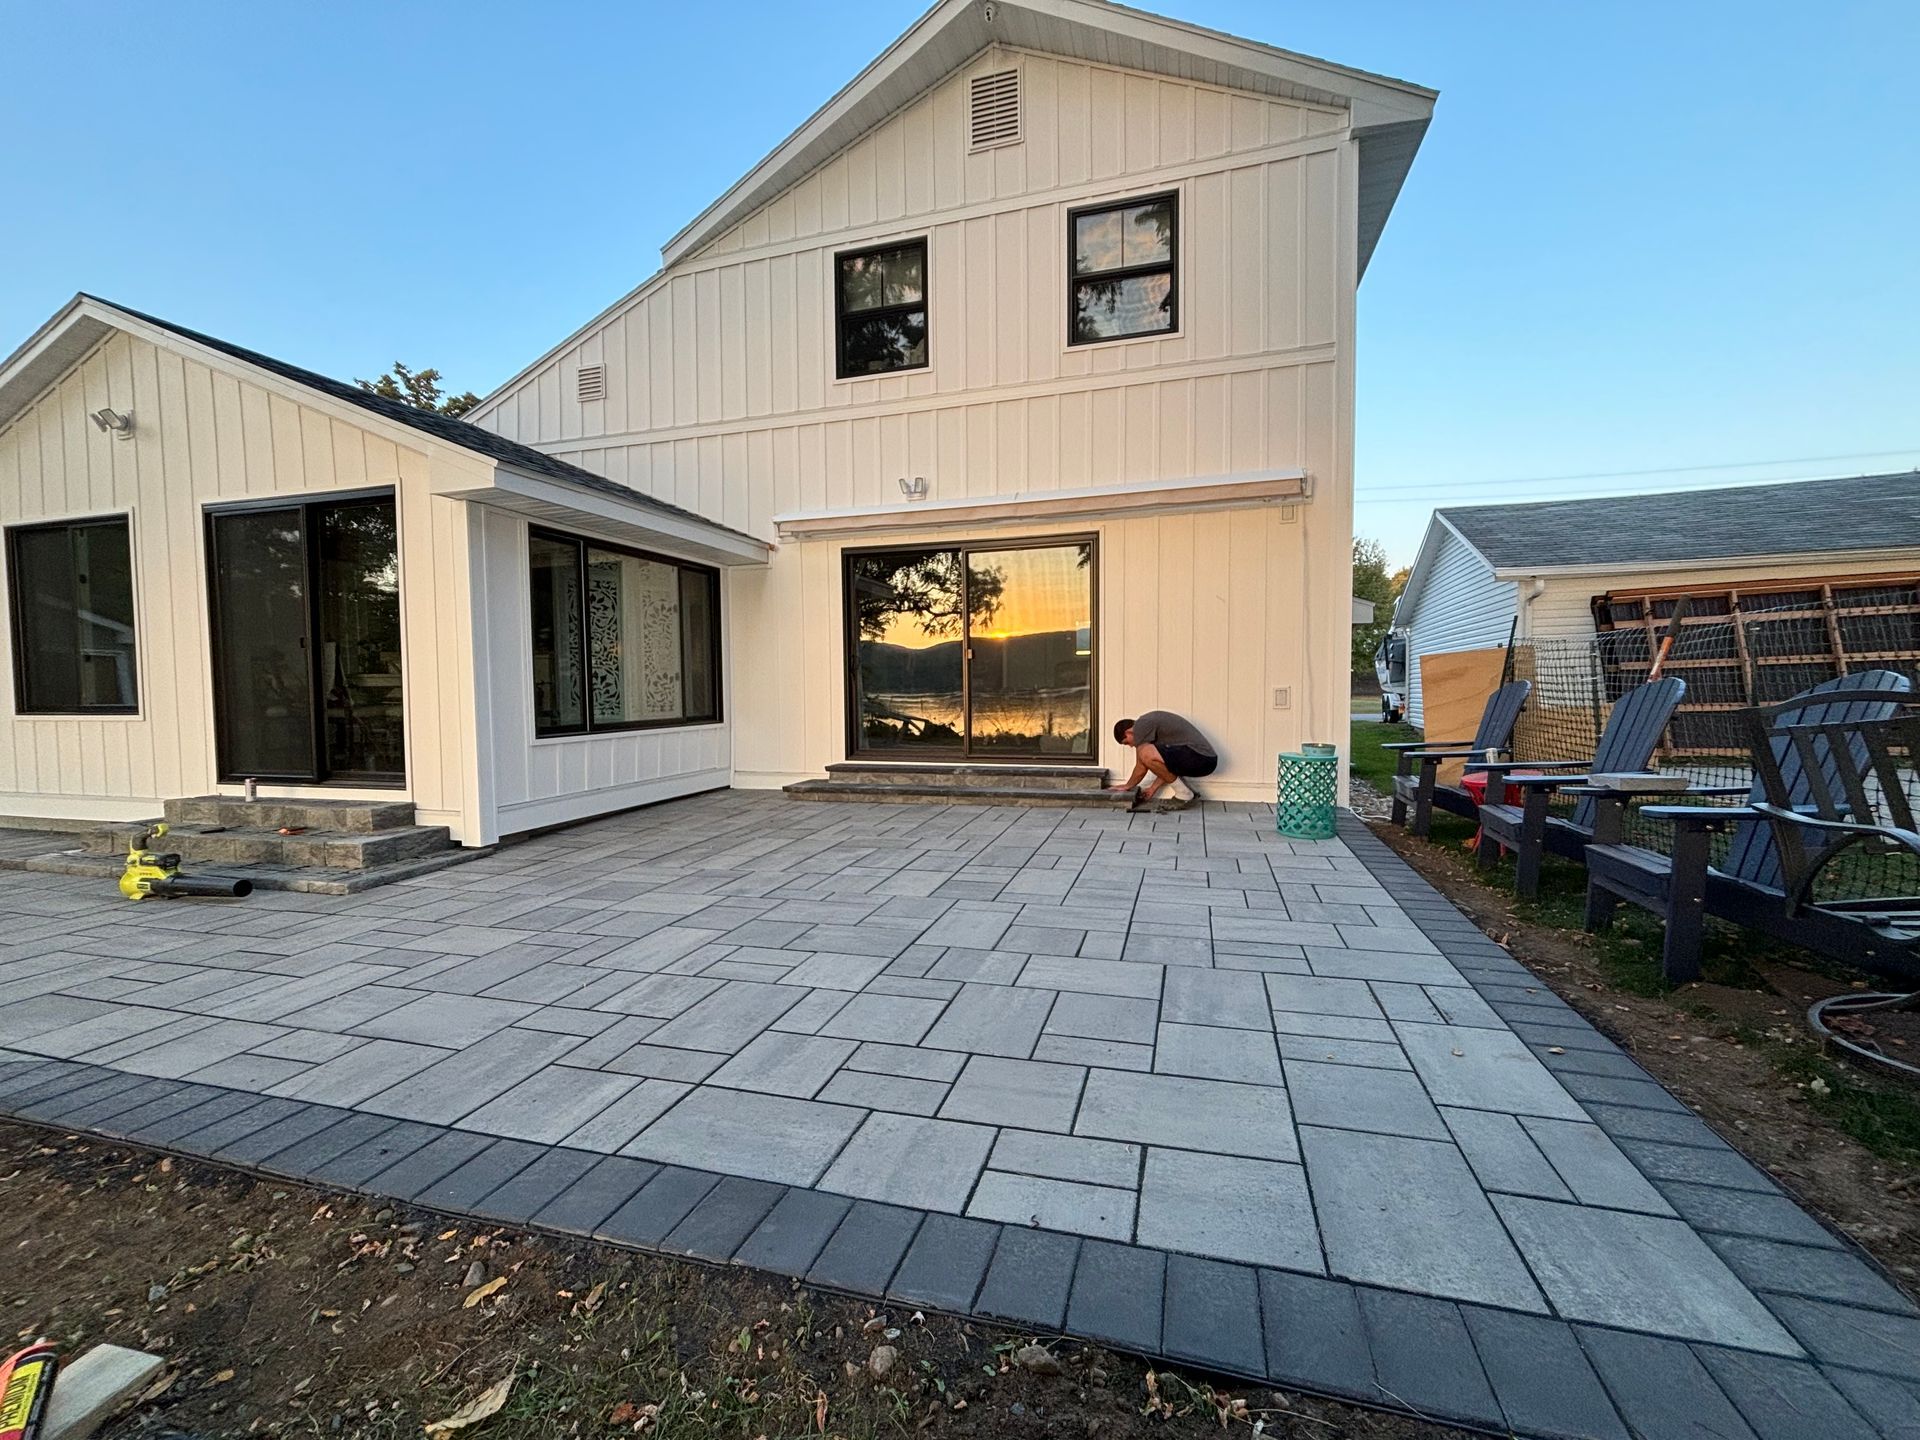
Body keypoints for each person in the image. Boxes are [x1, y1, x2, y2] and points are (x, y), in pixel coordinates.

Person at [1108, 711, 1217, 809]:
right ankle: (1186, 792)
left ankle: (1184, 794)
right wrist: (1152, 788)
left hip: (1202, 757)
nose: (1131, 746)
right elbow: (1165, 767)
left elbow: (1141, 766)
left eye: (1127, 742)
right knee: (1149, 755)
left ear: (1128, 732)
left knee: (1144, 753)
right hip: (1205, 760)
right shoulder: (1149, 729)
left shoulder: (1142, 725)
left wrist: (1127, 786)